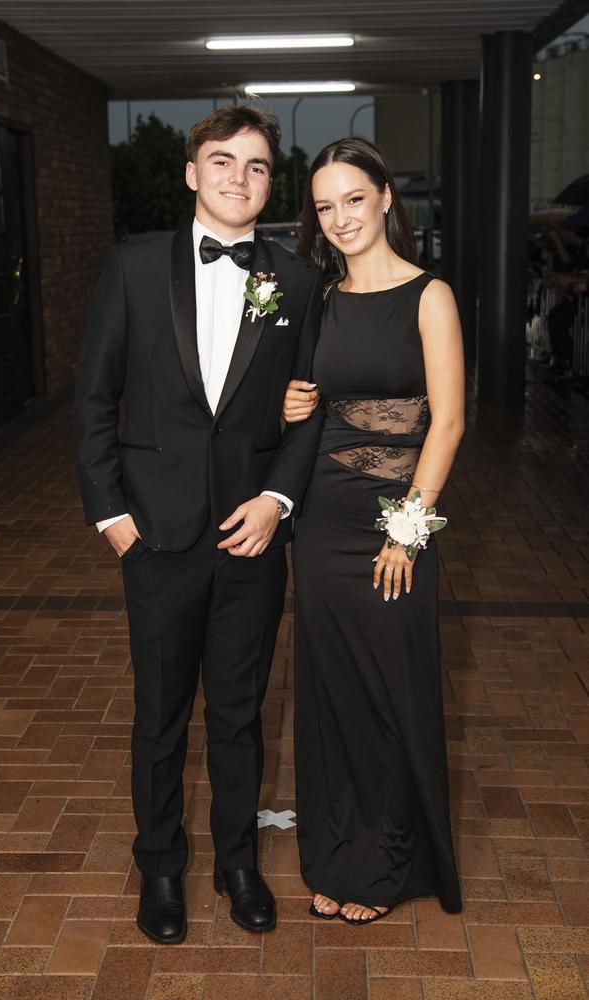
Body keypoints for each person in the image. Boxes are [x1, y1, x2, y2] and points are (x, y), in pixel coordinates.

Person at [74, 106, 323, 944]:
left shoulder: (293, 279)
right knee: (160, 716)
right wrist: (113, 517)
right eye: (223, 161)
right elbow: (95, 400)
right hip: (155, 537)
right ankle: (162, 869)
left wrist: (278, 500)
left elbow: (308, 413)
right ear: (192, 173)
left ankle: (239, 865)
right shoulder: (135, 267)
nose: (238, 178)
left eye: (256, 166)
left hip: (251, 540)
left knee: (241, 713)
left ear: (268, 183)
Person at [283, 137, 464, 923]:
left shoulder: (431, 295)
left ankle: (392, 858)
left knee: (392, 685)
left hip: (397, 519)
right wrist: (291, 402)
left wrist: (409, 532)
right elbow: (304, 402)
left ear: (387, 197)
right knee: (334, 691)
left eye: (354, 199)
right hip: (322, 517)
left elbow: (449, 422)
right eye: (325, 206)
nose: (341, 218)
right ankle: (337, 851)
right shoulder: (318, 298)